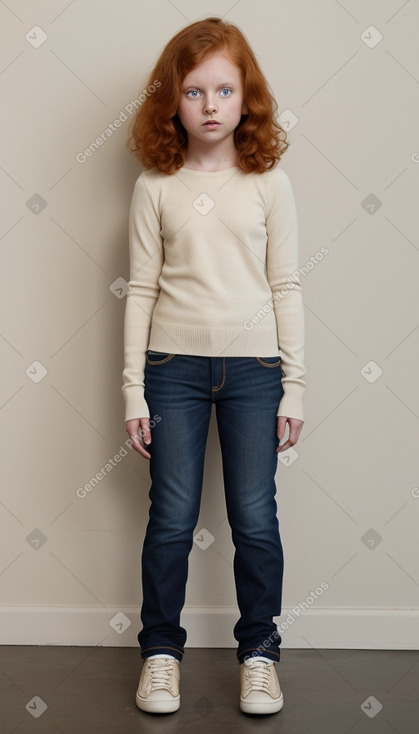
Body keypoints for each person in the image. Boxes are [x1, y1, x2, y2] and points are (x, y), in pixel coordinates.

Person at [122, 16, 305, 716]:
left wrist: (294, 388)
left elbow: (285, 286)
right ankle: (160, 655)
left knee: (255, 520)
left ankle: (258, 657)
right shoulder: (154, 185)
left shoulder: (269, 184)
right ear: (171, 99)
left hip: (256, 372)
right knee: (170, 519)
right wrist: (133, 392)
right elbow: (140, 289)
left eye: (223, 90)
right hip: (172, 369)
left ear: (245, 98)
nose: (208, 106)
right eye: (193, 91)